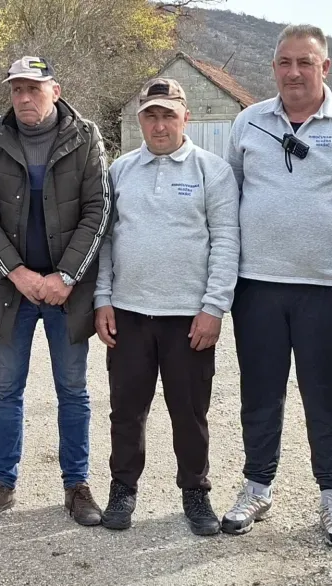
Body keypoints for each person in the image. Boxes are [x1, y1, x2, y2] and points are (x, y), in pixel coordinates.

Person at [222, 24, 332, 549]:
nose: (294, 72)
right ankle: (257, 488)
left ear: (325, 67)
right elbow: (226, 205)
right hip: (257, 287)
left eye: (305, 62)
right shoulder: (250, 121)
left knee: (325, 399)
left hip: (325, 289)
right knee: (260, 395)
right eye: (284, 62)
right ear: (273, 67)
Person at [0, 56, 111, 526]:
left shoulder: (85, 136)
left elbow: (98, 210)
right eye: (17, 90)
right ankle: (1, 483)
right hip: (14, 290)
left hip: (66, 292)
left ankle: (77, 487)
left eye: (34, 88)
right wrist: (17, 273)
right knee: (7, 389)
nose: (24, 98)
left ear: (55, 90)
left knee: (73, 389)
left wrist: (65, 276)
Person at [93, 78, 239, 536]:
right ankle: (123, 490)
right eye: (150, 116)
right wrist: (102, 299)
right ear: (140, 120)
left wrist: (214, 308)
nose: (159, 125)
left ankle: (195, 492)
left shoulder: (212, 171)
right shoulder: (120, 171)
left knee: (189, 413)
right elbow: (105, 241)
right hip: (129, 314)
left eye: (168, 116)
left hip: (188, 319)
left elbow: (226, 243)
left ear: (185, 118)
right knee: (125, 412)